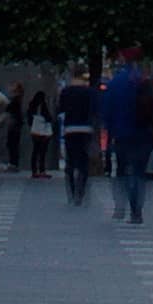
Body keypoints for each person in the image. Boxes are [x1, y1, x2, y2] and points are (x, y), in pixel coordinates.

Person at [100, 46, 153, 223]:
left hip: (122, 133)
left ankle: (120, 207)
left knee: (122, 171)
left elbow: (107, 110)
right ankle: (136, 210)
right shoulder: (145, 80)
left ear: (123, 58)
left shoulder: (117, 81)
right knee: (139, 173)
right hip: (144, 133)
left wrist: (109, 130)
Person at [58, 61, 100, 205]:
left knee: (70, 160)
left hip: (70, 128)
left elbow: (60, 109)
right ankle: (80, 192)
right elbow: (94, 111)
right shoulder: (89, 92)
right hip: (85, 129)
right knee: (83, 160)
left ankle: (71, 190)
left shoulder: (66, 91)